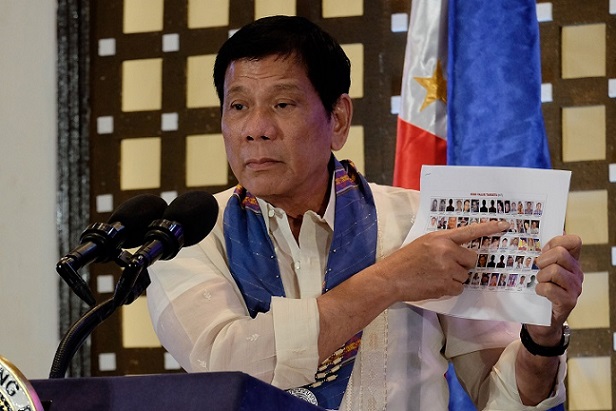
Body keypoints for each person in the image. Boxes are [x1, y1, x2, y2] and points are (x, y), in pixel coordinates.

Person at [146, 16, 583, 411]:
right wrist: (391, 279)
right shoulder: (188, 235)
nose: (255, 128)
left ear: (337, 119)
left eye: (282, 104)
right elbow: (228, 365)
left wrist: (541, 338)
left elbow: (502, 398)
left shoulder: (424, 223)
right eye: (238, 105)